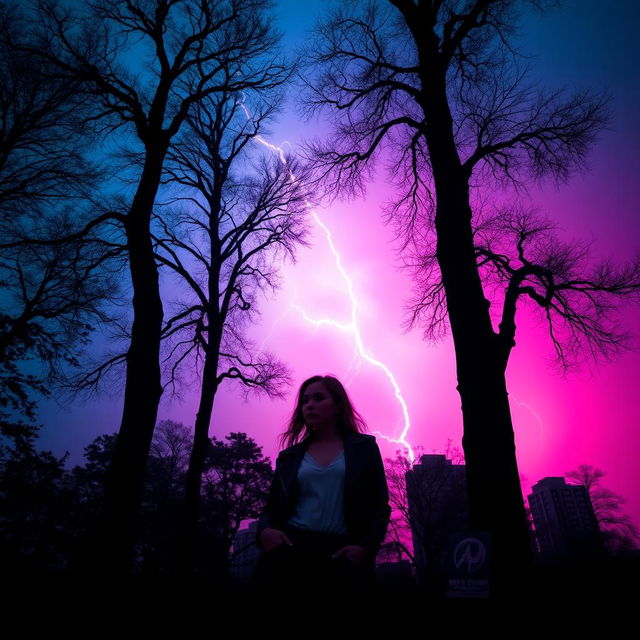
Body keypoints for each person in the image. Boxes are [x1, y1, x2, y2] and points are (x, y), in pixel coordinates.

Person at [249, 374, 391, 595]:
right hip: (290, 551)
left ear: (337, 405)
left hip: (341, 552)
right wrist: (265, 531)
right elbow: (272, 507)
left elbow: (380, 506)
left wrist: (365, 548)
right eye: (305, 401)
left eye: (318, 398)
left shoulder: (365, 449)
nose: (309, 406)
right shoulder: (290, 457)